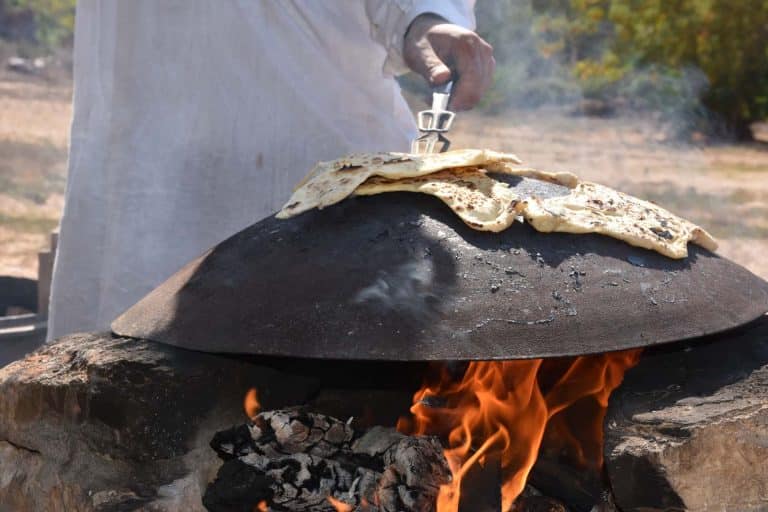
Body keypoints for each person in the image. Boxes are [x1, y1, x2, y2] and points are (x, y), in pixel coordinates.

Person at [47, 1, 495, 341]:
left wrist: (424, 17)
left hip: (317, 168)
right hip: (144, 171)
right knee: (126, 397)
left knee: (334, 401)